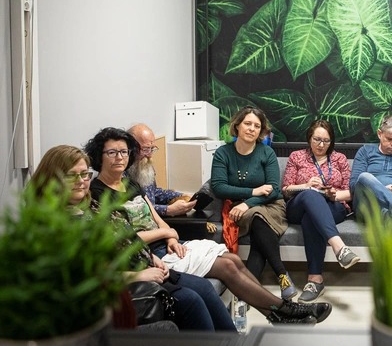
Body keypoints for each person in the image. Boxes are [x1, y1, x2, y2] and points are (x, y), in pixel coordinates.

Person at [84, 127, 330, 325]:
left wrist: (171, 236)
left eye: (124, 152)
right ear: (98, 156)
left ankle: (278, 313)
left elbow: (153, 215)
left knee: (233, 260)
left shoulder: (130, 183)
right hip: (149, 254)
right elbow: (126, 238)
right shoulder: (97, 194)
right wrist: (167, 231)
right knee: (228, 266)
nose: (120, 157)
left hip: (167, 245)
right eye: (112, 152)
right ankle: (284, 310)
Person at [30, 144, 234, 331]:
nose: (81, 181)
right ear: (52, 178)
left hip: (144, 264)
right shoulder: (55, 223)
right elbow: (85, 277)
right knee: (190, 301)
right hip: (120, 286)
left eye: (84, 174)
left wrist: (151, 256)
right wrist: (139, 275)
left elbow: (128, 236)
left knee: (205, 287)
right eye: (71, 176)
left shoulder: (92, 205)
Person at [210, 106, 295, 299]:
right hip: (239, 208)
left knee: (258, 220)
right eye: (247, 123)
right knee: (257, 218)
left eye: (257, 126)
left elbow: (274, 190)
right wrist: (252, 193)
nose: (252, 129)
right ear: (237, 126)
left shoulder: (267, 153)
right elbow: (219, 187)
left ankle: (246, 293)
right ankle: (282, 274)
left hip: (271, 205)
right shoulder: (223, 153)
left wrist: (248, 203)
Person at [281, 119, 359, 302]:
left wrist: (334, 194)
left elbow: (351, 193)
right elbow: (286, 190)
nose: (321, 145)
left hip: (333, 206)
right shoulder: (296, 156)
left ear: (331, 141)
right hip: (298, 204)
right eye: (317, 139)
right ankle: (340, 248)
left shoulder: (339, 159)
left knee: (311, 218)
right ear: (309, 138)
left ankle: (315, 281)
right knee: (310, 195)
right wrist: (306, 185)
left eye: (326, 141)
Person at [126, 123, 196, 217]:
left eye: (152, 149)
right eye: (146, 149)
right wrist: (168, 210)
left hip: (156, 220)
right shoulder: (120, 174)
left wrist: (182, 195)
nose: (150, 155)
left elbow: (155, 193)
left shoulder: (143, 165)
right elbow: (133, 209)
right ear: (131, 148)